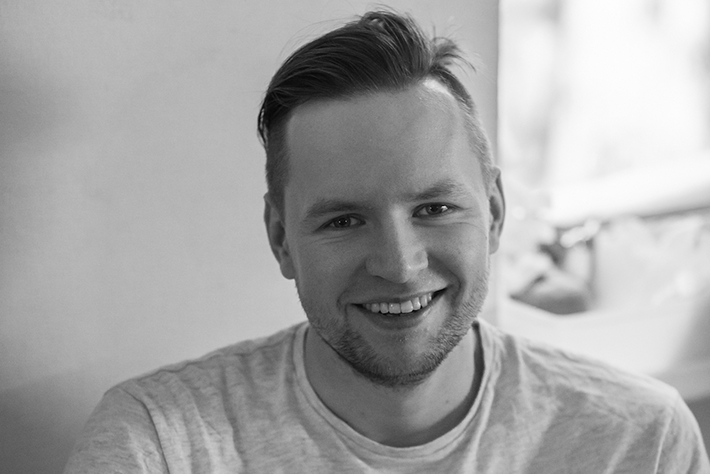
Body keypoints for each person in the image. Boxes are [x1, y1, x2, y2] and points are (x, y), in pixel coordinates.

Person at [64, 10, 709, 473]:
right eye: (344, 221)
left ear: (494, 213)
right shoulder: (157, 445)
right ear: (281, 239)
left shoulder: (639, 442)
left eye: (435, 208)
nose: (400, 266)